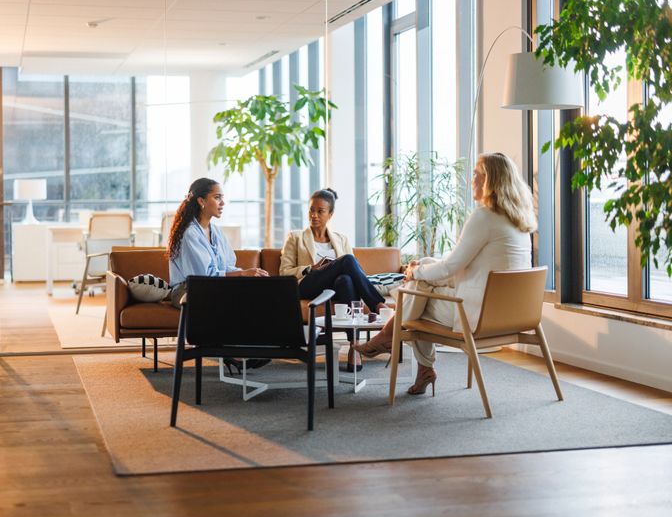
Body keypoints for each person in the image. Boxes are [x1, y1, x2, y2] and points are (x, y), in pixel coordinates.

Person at [353, 152, 535, 396]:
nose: (472, 180)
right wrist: (422, 270)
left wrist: (416, 272)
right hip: (512, 313)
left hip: (477, 316)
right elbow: (467, 268)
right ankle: (410, 357)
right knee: (423, 275)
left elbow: (450, 268)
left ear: (490, 180)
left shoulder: (484, 217)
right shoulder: (519, 220)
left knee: (418, 298)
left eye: (476, 174)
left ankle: (390, 335)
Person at [167, 178, 270, 374]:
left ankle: (254, 345)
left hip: (210, 284)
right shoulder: (190, 233)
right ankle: (234, 352)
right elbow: (203, 277)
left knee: (255, 288)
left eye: (222, 198)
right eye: (217, 197)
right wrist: (241, 274)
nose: (223, 203)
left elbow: (226, 265)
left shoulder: (215, 231)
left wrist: (247, 276)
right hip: (187, 289)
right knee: (234, 293)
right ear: (201, 201)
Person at [280, 188, 389, 372]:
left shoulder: (341, 239)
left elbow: (354, 274)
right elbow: (284, 272)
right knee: (347, 260)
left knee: (346, 279)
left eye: (320, 211)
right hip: (307, 286)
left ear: (330, 214)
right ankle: (377, 304)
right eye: (311, 210)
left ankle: (354, 347)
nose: (314, 215)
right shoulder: (295, 237)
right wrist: (310, 269)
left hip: (335, 288)